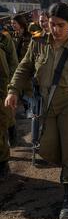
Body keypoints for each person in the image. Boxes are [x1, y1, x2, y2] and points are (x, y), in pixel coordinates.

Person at [5, 2, 68, 219]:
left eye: (60, 25)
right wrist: (13, 90)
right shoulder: (38, 43)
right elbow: (25, 67)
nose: (55, 30)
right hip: (46, 104)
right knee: (47, 147)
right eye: (52, 25)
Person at [10, 14, 32, 147]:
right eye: (12, 24)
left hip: (27, 73)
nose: (13, 26)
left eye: (15, 23)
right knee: (17, 99)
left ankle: (34, 127)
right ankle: (13, 131)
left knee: (29, 99)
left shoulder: (29, 38)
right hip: (16, 71)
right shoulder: (12, 37)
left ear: (21, 24)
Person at [0, 27, 19, 181]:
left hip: (3, 88)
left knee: (1, 127)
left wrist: (12, 88)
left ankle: (2, 162)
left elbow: (13, 64)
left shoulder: (4, 39)